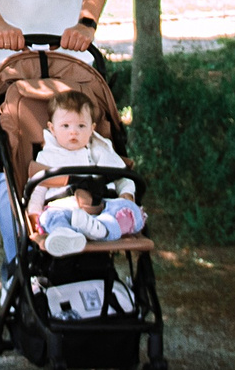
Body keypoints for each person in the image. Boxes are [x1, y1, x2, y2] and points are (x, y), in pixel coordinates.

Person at [27, 96, 146, 256]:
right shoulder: (47, 157)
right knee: (49, 217)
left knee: (131, 211)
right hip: (64, 208)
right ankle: (66, 235)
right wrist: (34, 213)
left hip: (103, 209)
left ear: (92, 129)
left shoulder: (101, 151)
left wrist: (126, 193)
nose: (73, 132)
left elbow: (122, 175)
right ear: (52, 129)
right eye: (65, 126)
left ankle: (100, 230)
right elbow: (38, 189)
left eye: (81, 126)